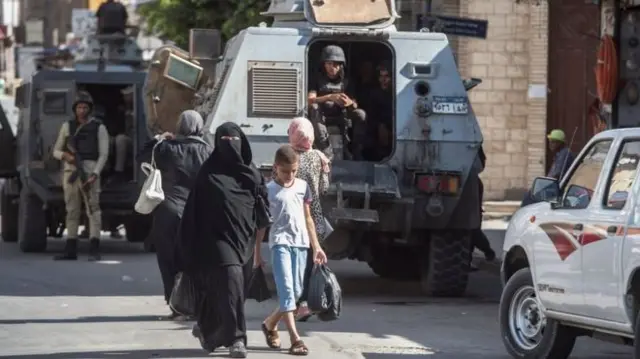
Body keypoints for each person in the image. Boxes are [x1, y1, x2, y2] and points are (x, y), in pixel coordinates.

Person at [179, 122, 268, 358]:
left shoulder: (252, 173)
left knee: (232, 291)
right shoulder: (207, 173)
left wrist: (259, 248)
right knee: (231, 282)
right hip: (216, 241)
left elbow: (262, 209)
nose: (230, 145)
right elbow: (193, 211)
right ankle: (237, 339)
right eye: (224, 140)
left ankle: (208, 331)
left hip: (245, 241)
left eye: (234, 140)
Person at [139, 110, 212, 320]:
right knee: (194, 260)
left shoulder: (165, 149)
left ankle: (175, 305)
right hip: (196, 213)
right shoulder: (207, 151)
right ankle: (194, 304)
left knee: (168, 259)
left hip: (167, 211)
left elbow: (141, 156)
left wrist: (159, 138)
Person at [256, 145, 328, 356]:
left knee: (295, 294)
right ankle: (295, 339)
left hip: (301, 244)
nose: (290, 175)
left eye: (294, 171)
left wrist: (316, 247)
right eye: (286, 171)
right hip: (280, 244)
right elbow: (261, 226)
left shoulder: (302, 186)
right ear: (276, 167)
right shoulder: (268, 190)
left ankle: (270, 324)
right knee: (287, 291)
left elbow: (308, 218)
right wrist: (257, 254)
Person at [279, 117, 331, 322]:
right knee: (310, 261)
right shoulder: (319, 158)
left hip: (290, 216)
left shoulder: (286, 155)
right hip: (313, 217)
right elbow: (324, 189)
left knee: (291, 262)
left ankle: (295, 302)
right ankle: (306, 304)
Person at [52, 92, 110, 261]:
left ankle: (94, 248)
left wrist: (95, 174)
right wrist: (65, 156)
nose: (82, 110)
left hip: (90, 172)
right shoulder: (67, 127)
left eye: (85, 107)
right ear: (74, 109)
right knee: (71, 211)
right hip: (71, 172)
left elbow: (103, 154)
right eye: (79, 107)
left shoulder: (99, 127)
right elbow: (56, 151)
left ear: (90, 109)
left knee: (93, 211)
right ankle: (70, 249)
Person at [308, 45, 367, 160]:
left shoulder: (347, 82)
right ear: (324, 65)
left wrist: (349, 103)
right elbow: (310, 99)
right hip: (321, 117)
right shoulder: (317, 80)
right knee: (314, 107)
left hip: (342, 115)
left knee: (361, 114)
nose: (332, 67)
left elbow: (355, 104)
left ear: (341, 66)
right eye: (329, 64)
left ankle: (355, 149)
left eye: (335, 64)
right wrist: (329, 97)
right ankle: (325, 148)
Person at [520, 129, 575, 207]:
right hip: (553, 187)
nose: (550, 144)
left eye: (553, 142)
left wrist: (543, 186)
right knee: (529, 194)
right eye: (550, 141)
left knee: (530, 196)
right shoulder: (559, 154)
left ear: (559, 143)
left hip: (557, 189)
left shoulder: (564, 154)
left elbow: (556, 175)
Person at [365, 62, 393, 161]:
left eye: (387, 76)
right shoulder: (375, 94)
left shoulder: (397, 94)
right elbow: (372, 115)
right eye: (381, 76)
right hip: (379, 127)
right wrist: (381, 126)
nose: (383, 80)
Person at [112, 86, 134, 182]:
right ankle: (115, 173)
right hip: (127, 137)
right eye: (125, 96)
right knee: (118, 139)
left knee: (121, 139)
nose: (126, 98)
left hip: (139, 139)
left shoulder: (141, 107)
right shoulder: (122, 110)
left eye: (128, 95)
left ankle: (119, 172)